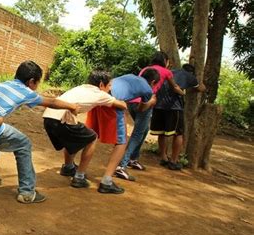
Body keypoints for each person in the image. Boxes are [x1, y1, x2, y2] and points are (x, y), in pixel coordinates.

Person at [0, 60, 79, 204]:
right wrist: (72, 106)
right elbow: (52, 103)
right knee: (23, 143)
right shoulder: (25, 91)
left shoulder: (4, 84)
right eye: (37, 83)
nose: (36, 87)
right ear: (31, 81)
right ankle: (27, 192)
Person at [42, 70, 127, 189]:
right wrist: (122, 101)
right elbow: (122, 106)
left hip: (48, 118)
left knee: (74, 135)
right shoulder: (101, 94)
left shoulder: (81, 87)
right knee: (92, 137)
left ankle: (68, 167)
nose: (110, 88)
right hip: (60, 120)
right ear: (101, 85)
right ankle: (79, 177)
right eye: (109, 85)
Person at [86, 69, 160, 193]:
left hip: (99, 97)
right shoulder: (148, 89)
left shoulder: (130, 75)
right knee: (121, 142)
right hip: (114, 102)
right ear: (153, 82)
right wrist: (152, 101)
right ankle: (106, 181)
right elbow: (142, 109)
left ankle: (78, 173)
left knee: (91, 135)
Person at [116, 51, 185, 181]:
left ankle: (133, 159)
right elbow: (174, 87)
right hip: (145, 101)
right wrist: (183, 93)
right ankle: (122, 165)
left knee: (144, 130)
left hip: (131, 101)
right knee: (138, 133)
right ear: (165, 61)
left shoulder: (145, 69)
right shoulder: (166, 72)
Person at [150, 64, 206, 170]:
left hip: (158, 105)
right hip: (174, 107)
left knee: (161, 132)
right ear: (192, 72)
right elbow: (201, 88)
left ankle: (163, 157)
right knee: (178, 133)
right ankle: (173, 161)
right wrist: (196, 82)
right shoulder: (189, 76)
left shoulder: (171, 72)